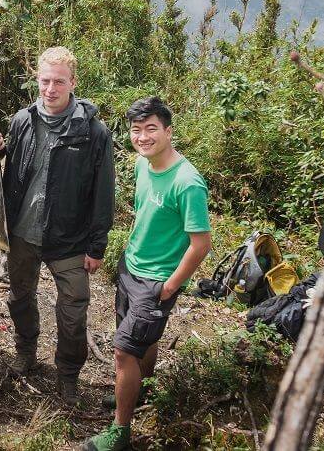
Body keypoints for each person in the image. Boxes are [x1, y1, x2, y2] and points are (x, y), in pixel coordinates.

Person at [81, 97, 212, 451]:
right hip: (131, 267)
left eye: (151, 128)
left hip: (157, 282)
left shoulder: (187, 182)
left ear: (169, 131)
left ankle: (119, 433)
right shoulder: (143, 164)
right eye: (136, 130)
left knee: (123, 352)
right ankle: (139, 393)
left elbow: (201, 243)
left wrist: (170, 285)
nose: (143, 136)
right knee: (145, 342)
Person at [2, 46, 114, 405]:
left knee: (73, 309)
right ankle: (26, 351)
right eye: (45, 80)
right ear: (37, 78)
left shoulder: (93, 132)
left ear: (73, 83)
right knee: (19, 296)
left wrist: (97, 245)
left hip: (70, 238)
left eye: (59, 82)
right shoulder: (22, 120)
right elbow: (10, 175)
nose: (50, 89)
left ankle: (68, 373)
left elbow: (103, 192)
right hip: (23, 231)